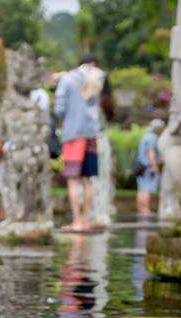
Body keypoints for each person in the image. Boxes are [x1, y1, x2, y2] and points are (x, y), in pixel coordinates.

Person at [55, 54, 107, 232]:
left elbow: (59, 109)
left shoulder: (68, 79)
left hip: (73, 135)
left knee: (73, 180)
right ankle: (86, 220)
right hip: (91, 134)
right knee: (88, 180)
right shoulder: (95, 79)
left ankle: (77, 221)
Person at [135, 118, 163, 215]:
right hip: (147, 166)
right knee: (147, 189)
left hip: (140, 166)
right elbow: (150, 152)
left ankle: (140, 209)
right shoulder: (153, 137)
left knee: (141, 188)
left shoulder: (146, 136)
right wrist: (154, 166)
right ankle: (146, 209)